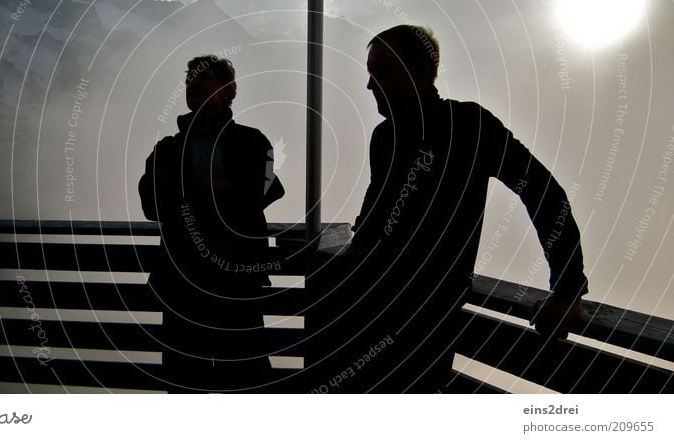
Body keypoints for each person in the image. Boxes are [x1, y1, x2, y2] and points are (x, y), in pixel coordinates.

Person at [310, 25, 589, 393]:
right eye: (369, 73)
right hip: (365, 310)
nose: (369, 85)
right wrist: (342, 267)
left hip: (422, 319)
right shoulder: (385, 137)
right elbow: (375, 221)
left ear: (421, 73)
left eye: (381, 71)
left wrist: (567, 289)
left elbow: (542, 192)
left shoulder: (469, 126)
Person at [139, 55, 285, 392]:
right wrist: (219, 188)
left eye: (203, 79)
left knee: (247, 376)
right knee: (186, 379)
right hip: (185, 284)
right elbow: (151, 205)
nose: (194, 85)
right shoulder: (167, 148)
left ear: (228, 91)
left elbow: (261, 192)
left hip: (234, 283)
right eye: (191, 79)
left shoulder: (252, 141)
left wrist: (184, 189)